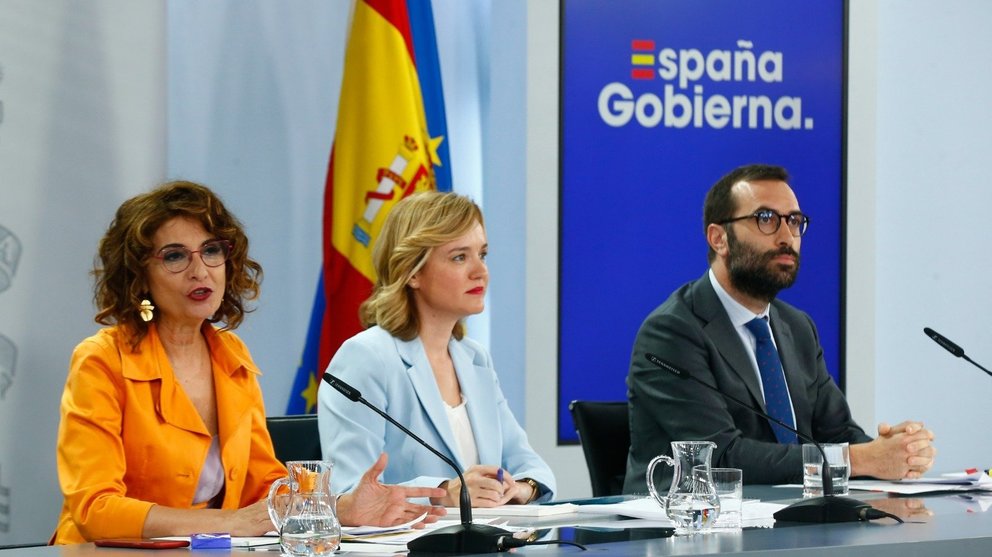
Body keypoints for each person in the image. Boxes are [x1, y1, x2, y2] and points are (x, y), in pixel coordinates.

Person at [53, 181, 445, 544]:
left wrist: (341, 509)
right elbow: (95, 509)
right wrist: (229, 523)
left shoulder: (230, 354)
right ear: (139, 276)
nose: (200, 270)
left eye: (211, 250)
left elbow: (265, 485)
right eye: (175, 256)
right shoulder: (103, 360)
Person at [623, 164, 937, 492]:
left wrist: (895, 452)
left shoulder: (797, 327)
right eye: (766, 219)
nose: (787, 237)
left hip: (793, 523)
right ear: (719, 239)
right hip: (690, 529)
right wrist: (859, 459)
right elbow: (719, 459)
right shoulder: (671, 333)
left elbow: (838, 433)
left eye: (795, 221)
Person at [318, 191, 556, 507]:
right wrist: (445, 492)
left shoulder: (474, 359)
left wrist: (523, 488)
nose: (480, 271)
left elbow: (529, 464)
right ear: (413, 272)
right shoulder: (367, 357)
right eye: (459, 257)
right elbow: (348, 493)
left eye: (482, 255)